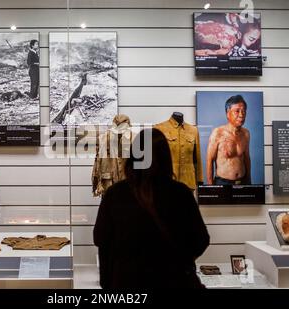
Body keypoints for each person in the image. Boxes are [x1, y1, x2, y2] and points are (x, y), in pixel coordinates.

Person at [93, 129, 210, 288]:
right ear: (166, 158)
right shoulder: (180, 194)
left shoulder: (115, 194)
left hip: (128, 283)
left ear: (133, 157)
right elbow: (200, 240)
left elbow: (101, 240)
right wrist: (178, 261)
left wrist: (108, 283)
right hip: (173, 283)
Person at [206, 95, 251, 185]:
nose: (241, 115)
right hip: (223, 183)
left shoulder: (246, 133)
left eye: (244, 111)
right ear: (228, 113)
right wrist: (211, 188)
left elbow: (246, 158)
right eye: (237, 111)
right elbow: (209, 160)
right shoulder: (218, 133)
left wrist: (249, 181)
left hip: (242, 182)